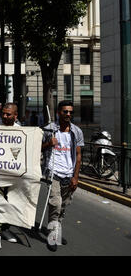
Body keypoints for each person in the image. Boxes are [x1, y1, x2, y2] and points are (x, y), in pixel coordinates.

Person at [41, 100, 84, 252]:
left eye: (71, 112)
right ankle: (53, 236)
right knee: (55, 204)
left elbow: (78, 155)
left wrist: (76, 177)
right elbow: (37, 148)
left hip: (69, 174)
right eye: (65, 111)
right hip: (53, 172)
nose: (68, 114)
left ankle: (55, 229)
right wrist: (48, 144)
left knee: (63, 207)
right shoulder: (49, 129)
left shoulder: (76, 131)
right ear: (59, 112)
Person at [0, 102, 20, 249]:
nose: (5, 116)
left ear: (15, 116)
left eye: (8, 114)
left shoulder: (22, 131)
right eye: (4, 113)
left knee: (11, 202)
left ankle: (4, 230)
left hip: (13, 175)